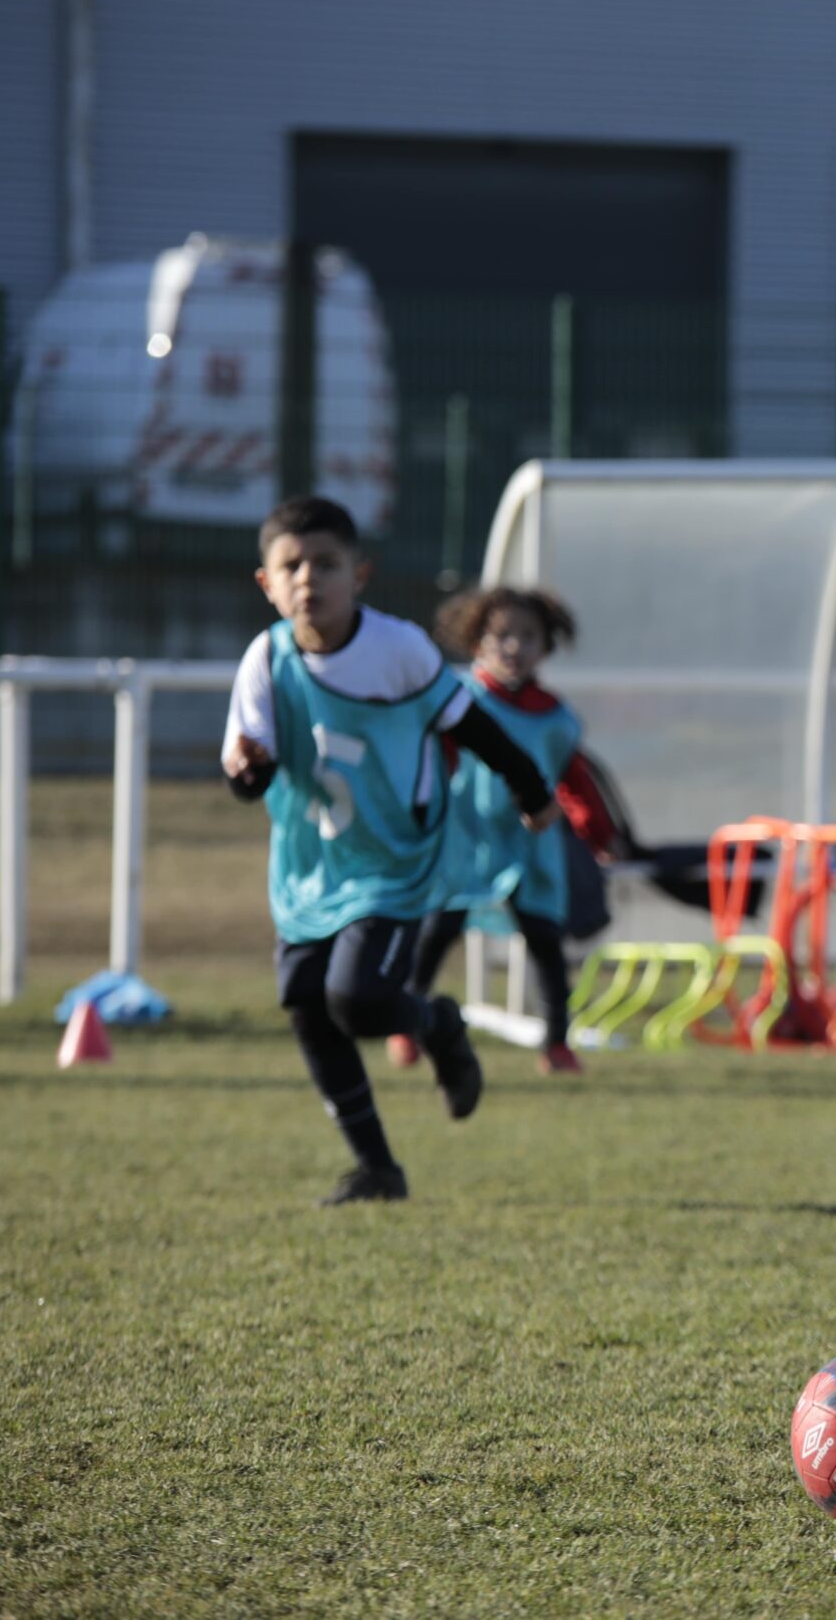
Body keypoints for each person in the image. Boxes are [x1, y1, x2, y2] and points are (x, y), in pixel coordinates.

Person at [221, 498, 557, 1206]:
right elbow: (250, 778)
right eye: (292, 565)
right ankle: (378, 1168)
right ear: (267, 584)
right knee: (308, 1006)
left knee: (359, 998)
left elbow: (473, 726)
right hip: (311, 868)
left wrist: (530, 789)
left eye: (327, 563)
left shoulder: (398, 649)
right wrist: (246, 769)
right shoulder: (265, 661)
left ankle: (437, 1024)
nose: (309, 578)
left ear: (360, 574)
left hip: (397, 859)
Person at [392, 586, 599, 1077]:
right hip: (467, 840)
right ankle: (405, 1022)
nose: (514, 646)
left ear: (545, 646)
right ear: (476, 641)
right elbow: (424, 756)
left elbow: (575, 776)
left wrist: (594, 827)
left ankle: (557, 1043)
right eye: (501, 635)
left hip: (533, 844)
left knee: (546, 942)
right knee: (438, 932)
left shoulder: (556, 716)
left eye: (528, 636)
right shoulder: (458, 699)